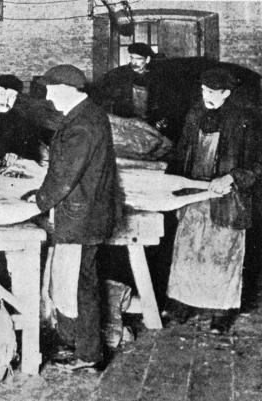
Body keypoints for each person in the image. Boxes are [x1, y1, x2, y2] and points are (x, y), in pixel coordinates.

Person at [28, 65, 122, 370]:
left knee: (82, 285)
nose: (48, 95)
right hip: (88, 213)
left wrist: (38, 201)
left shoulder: (82, 124)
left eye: (51, 89)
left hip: (83, 217)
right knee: (80, 282)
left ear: (67, 90)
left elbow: (65, 177)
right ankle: (79, 345)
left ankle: (89, 354)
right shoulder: (87, 115)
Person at [164, 68, 262, 334]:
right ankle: (183, 302)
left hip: (227, 198)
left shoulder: (245, 120)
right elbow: (182, 150)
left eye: (213, 92)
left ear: (227, 93)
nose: (206, 96)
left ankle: (221, 312)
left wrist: (232, 177)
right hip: (194, 194)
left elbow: (257, 164)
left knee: (222, 254)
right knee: (188, 249)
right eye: (204, 90)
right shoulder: (195, 114)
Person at [91, 42, 170, 135]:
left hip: (151, 128)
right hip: (126, 128)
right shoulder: (118, 74)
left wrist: (162, 121)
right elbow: (98, 92)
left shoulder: (157, 78)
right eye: (132, 58)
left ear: (148, 59)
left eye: (138, 59)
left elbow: (165, 105)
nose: (134, 62)